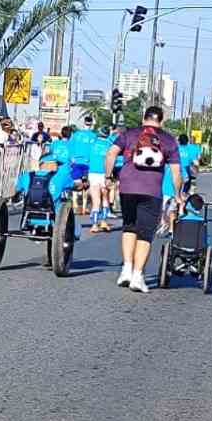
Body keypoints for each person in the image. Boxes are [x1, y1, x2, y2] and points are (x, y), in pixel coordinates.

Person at [104, 106, 182, 293]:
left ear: (143, 118)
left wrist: (108, 177)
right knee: (145, 234)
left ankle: (126, 270)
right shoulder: (169, 140)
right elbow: (176, 173)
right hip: (151, 191)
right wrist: (178, 194)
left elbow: (110, 153)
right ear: (161, 121)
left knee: (129, 227)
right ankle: (137, 276)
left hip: (127, 188)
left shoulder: (129, 134)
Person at [86, 126, 116, 232]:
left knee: (96, 200)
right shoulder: (110, 145)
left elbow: (87, 159)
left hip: (93, 173)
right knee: (105, 198)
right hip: (105, 174)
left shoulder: (92, 144)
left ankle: (94, 225)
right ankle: (103, 221)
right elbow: (113, 160)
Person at [68, 115, 98, 214]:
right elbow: (95, 150)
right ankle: (84, 207)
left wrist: (72, 158)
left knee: (76, 184)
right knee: (86, 185)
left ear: (84, 122)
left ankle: (75, 205)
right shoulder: (94, 136)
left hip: (76, 162)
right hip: (88, 163)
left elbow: (70, 147)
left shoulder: (76, 134)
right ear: (91, 123)